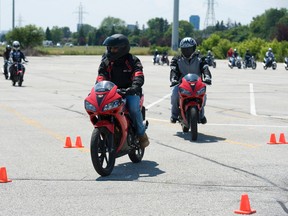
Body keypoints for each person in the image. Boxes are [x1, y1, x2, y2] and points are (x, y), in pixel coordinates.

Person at [96, 34, 149, 148]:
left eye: (114, 48)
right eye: (109, 48)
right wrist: (98, 86)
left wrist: (135, 86)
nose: (110, 50)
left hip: (130, 92)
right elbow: (101, 75)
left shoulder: (132, 60)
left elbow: (138, 74)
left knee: (134, 109)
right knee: (101, 109)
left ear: (123, 48)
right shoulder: (106, 61)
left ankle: (141, 134)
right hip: (111, 92)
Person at [169, 37, 212, 124]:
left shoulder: (200, 58)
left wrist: (207, 77)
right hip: (181, 84)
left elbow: (205, 68)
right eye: (185, 49)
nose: (187, 51)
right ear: (181, 49)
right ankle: (174, 115)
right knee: (174, 95)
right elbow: (173, 70)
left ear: (194, 48)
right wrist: (173, 79)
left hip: (198, 84)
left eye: (189, 49)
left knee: (204, 97)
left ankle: (201, 115)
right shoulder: (176, 59)